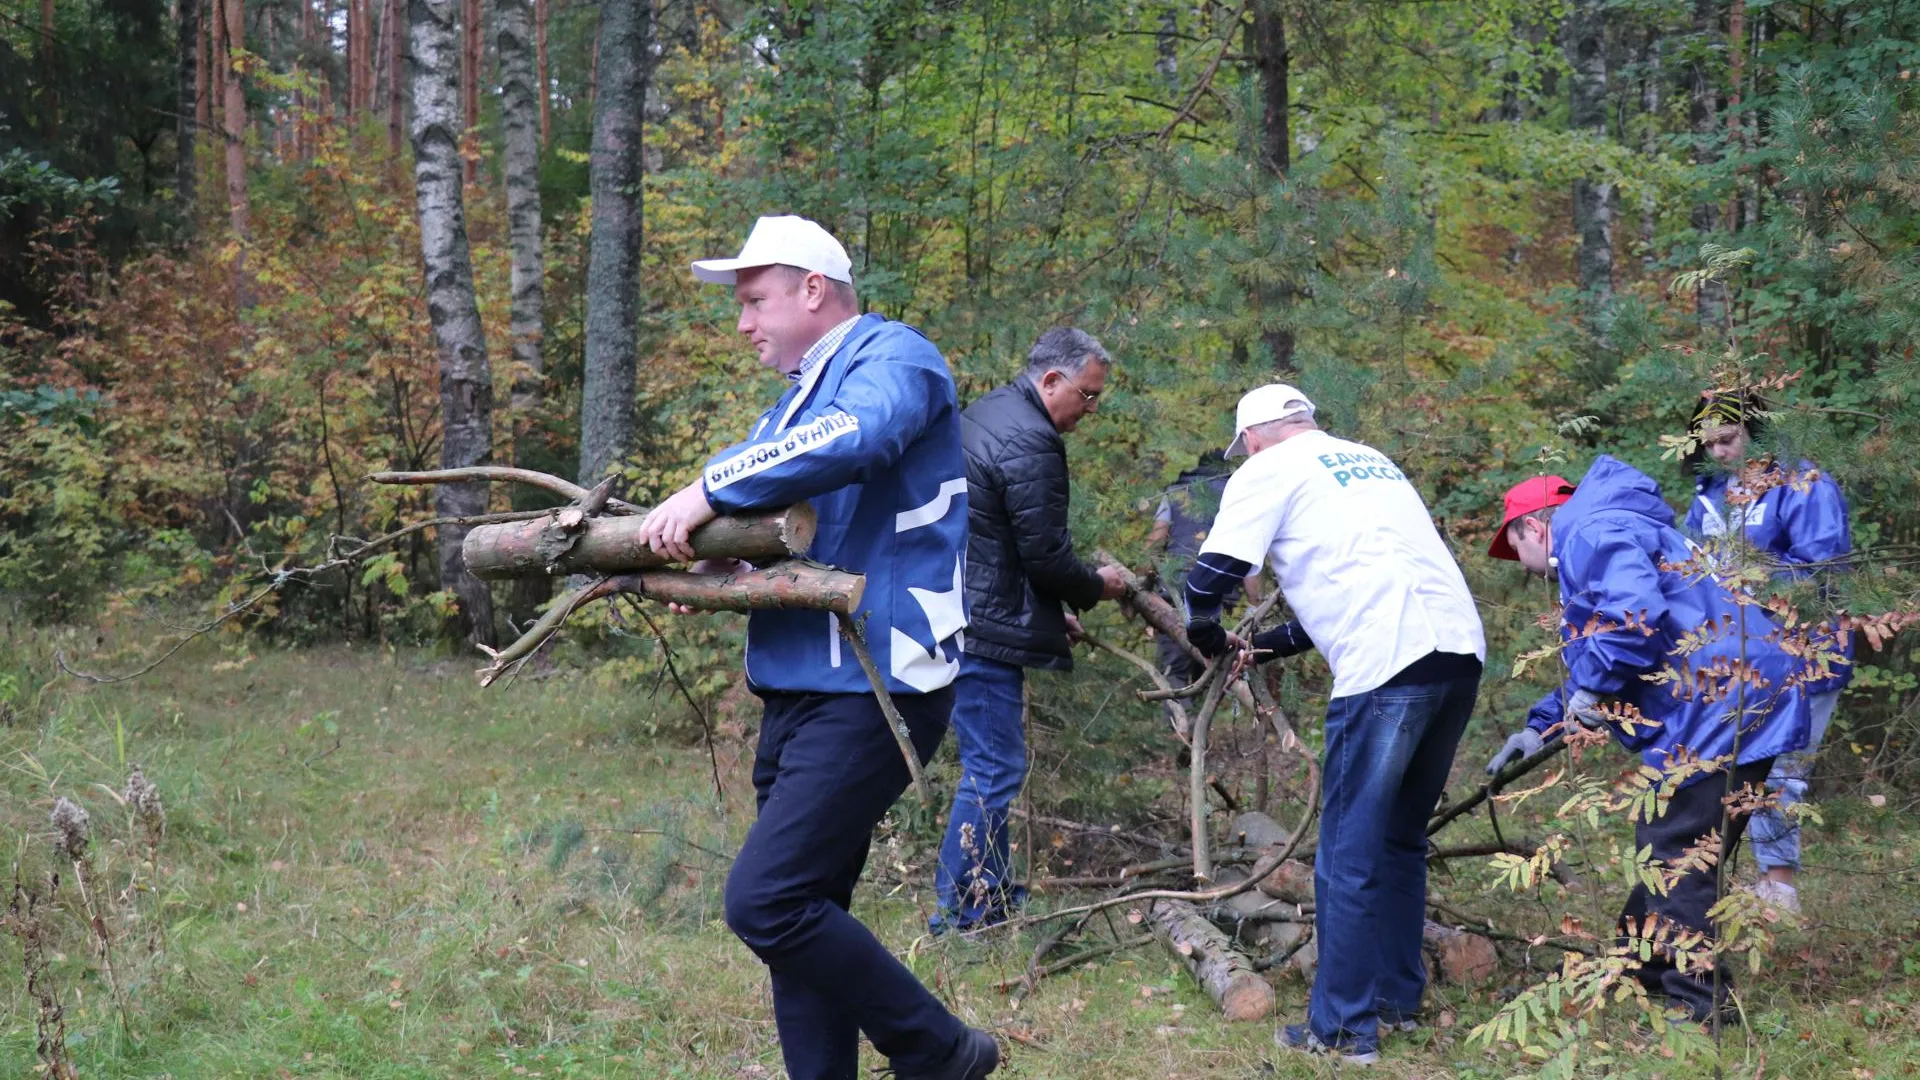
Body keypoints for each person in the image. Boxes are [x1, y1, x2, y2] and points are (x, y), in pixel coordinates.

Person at [637, 215, 998, 1080]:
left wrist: (709, 485)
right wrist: (722, 555)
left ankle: (943, 1051)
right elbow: (798, 514)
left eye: (755, 299)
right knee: (806, 915)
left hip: (878, 682)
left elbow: (854, 438)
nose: (742, 321)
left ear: (813, 289)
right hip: (801, 683)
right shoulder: (795, 399)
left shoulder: (894, 360)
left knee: (768, 900)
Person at [1182, 384, 1486, 1065]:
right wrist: (1266, 644)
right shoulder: (1368, 461)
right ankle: (1394, 1000)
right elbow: (1367, 579)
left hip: (1386, 663)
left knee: (1346, 852)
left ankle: (1344, 1031)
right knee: (1401, 839)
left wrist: (1203, 629)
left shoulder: (1267, 469)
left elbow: (1214, 575)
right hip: (1457, 651)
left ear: (1254, 438)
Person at [1485, 460, 1812, 1026]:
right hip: (1749, 690)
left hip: (1715, 699)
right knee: (1687, 846)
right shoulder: (1619, 525)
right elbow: (1601, 648)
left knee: (1677, 851)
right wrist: (1540, 726)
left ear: (1534, 528)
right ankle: (1642, 969)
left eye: (1518, 551)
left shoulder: (1589, 531)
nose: (1526, 569)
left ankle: (1701, 1003)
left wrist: (1589, 688)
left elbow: (1633, 620)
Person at [932, 327, 1127, 934]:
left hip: (958, 610)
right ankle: (963, 918)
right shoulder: (1033, 438)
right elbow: (1044, 556)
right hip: (983, 631)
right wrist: (1099, 585)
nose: (1089, 411)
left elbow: (994, 542)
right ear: (1051, 381)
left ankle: (989, 901)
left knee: (991, 767)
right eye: (1088, 396)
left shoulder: (988, 412)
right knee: (993, 770)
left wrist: (1046, 613)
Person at [1683, 393, 1852, 916]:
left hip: (1804, 652)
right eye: (1708, 443)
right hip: (1736, 654)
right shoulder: (1709, 492)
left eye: (1728, 439)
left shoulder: (1804, 483)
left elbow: (1824, 570)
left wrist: (1747, 574)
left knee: (1782, 772)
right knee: (1739, 766)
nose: (1719, 452)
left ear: (1755, 430)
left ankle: (1779, 889)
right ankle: (1735, 884)